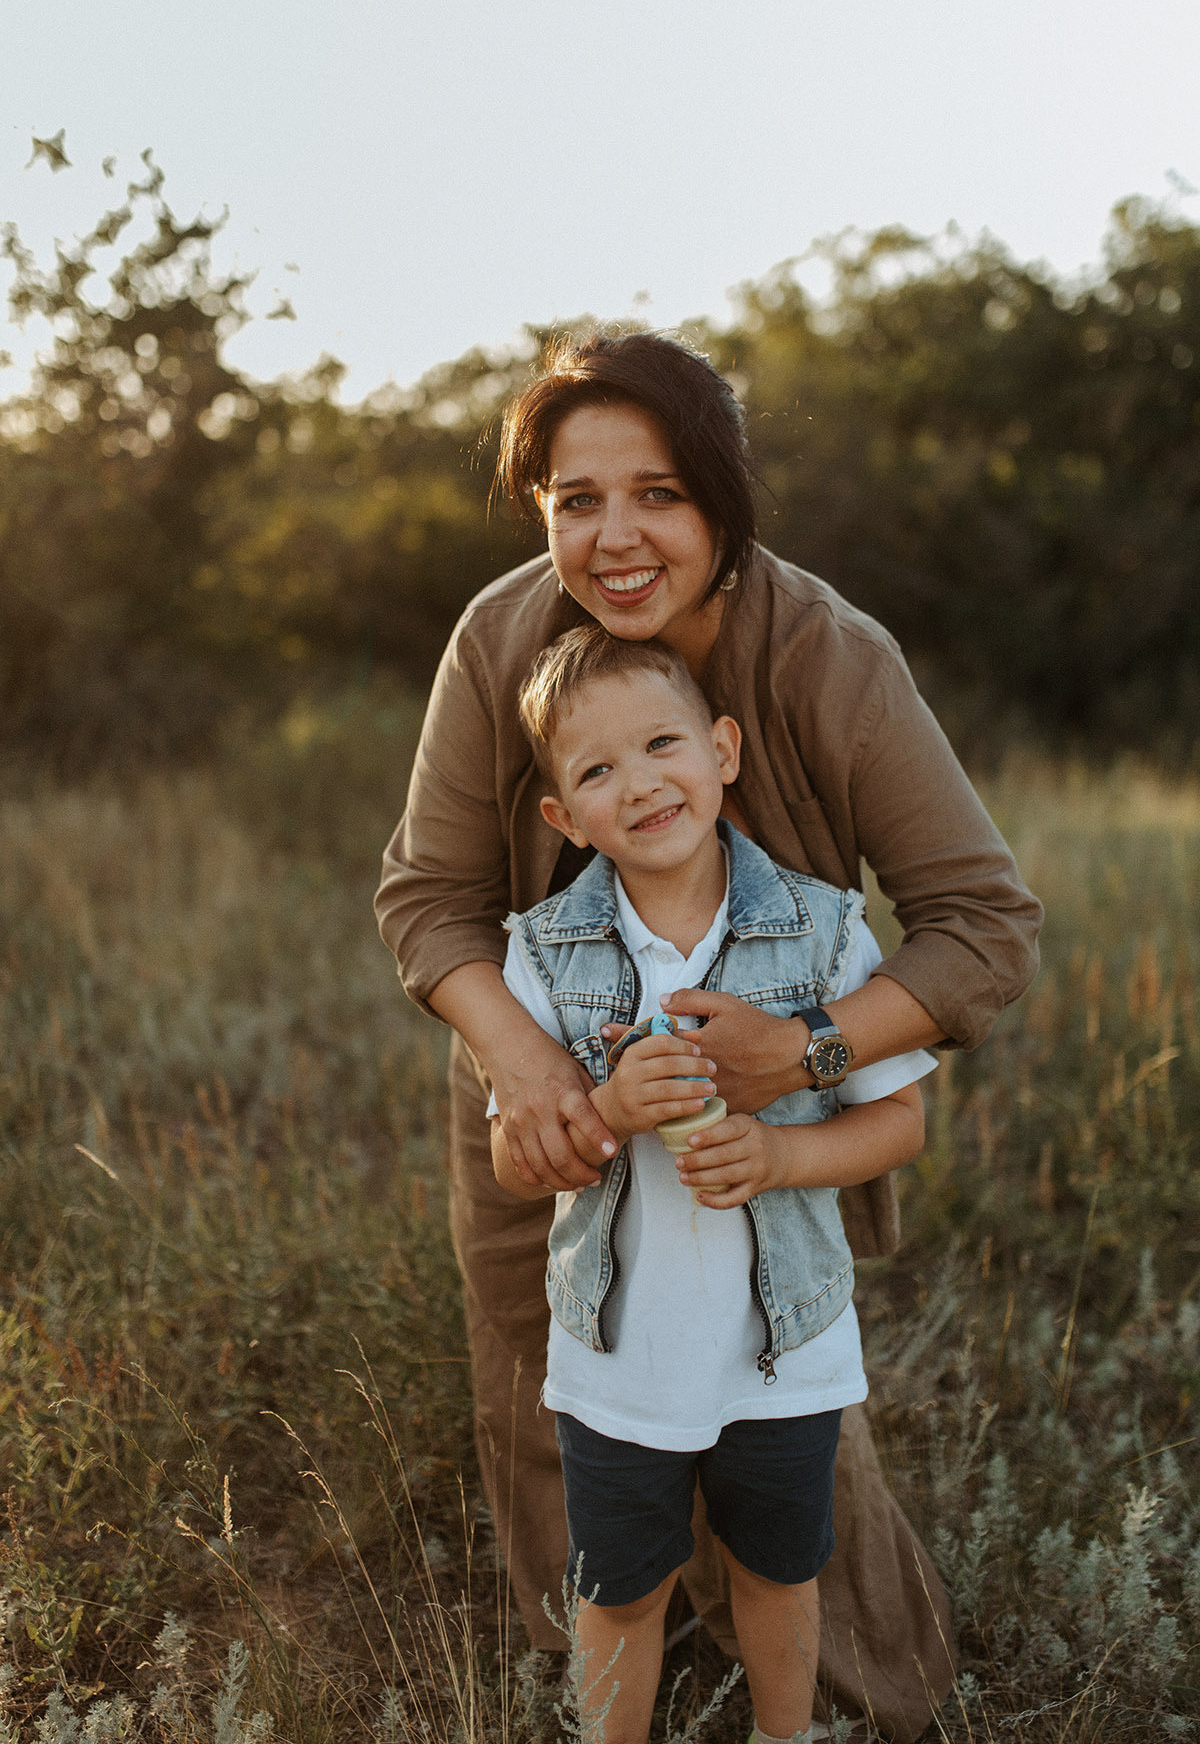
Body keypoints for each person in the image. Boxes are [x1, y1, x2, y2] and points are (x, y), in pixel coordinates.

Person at [375, 330, 1042, 1740]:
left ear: (726, 502)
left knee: (775, 1400)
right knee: (551, 1373)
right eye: (574, 498)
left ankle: (845, 1694)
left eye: (659, 493)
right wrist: (531, 1063)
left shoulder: (829, 658)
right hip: (538, 1048)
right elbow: (428, 897)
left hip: (767, 1077)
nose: (614, 538)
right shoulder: (503, 637)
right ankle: (619, 1675)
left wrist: (803, 1050)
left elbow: (984, 927)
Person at [489, 624, 939, 1744]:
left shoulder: (822, 927)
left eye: (661, 744)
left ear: (723, 748)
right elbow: (514, 1158)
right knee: (622, 1591)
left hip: (782, 1356)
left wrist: (783, 1153)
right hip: (617, 1364)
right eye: (596, 770)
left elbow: (900, 1119)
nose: (639, 783)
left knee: (778, 1578)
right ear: (563, 816)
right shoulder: (543, 954)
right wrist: (606, 1112)